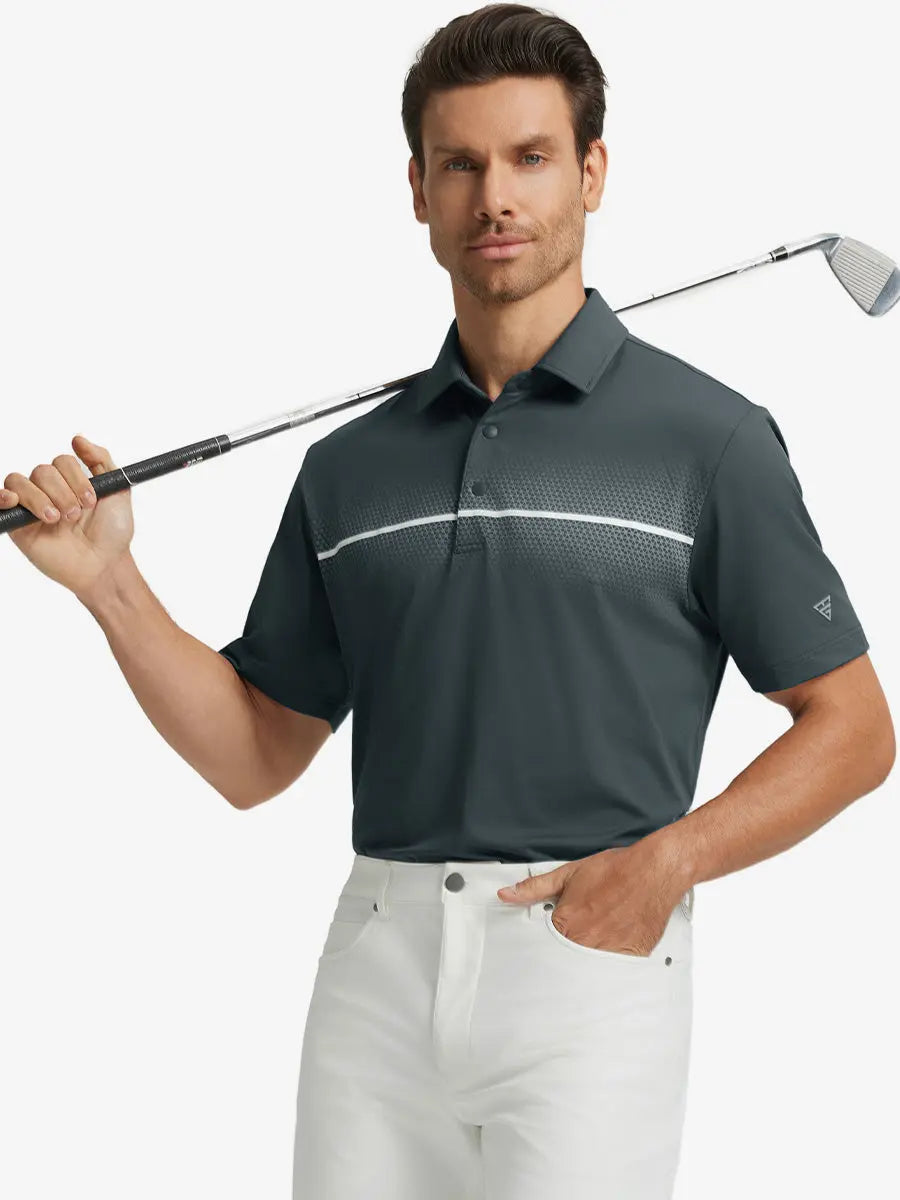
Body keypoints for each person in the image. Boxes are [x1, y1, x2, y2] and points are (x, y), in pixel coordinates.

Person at [2, 4, 894, 1198]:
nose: (496, 198)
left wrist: (667, 865)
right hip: (377, 966)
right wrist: (108, 583)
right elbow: (255, 756)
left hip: (590, 961)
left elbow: (855, 729)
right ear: (418, 190)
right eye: (461, 164)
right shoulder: (350, 469)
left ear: (592, 173)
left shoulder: (710, 441)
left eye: (531, 158)